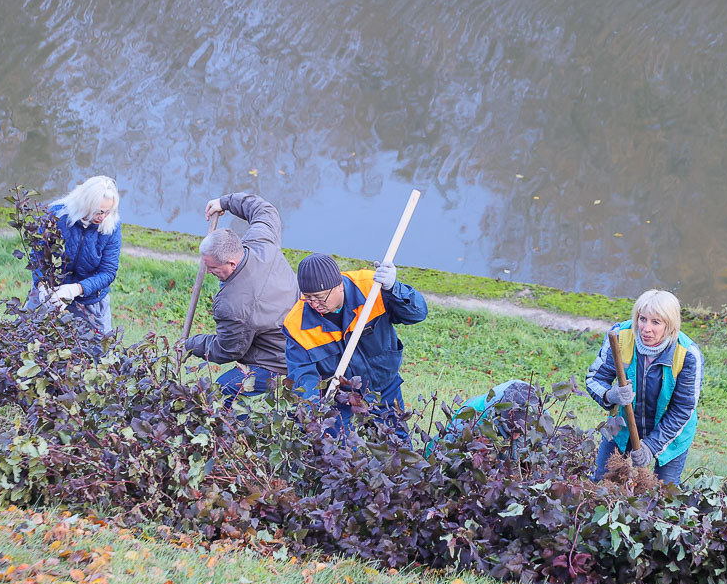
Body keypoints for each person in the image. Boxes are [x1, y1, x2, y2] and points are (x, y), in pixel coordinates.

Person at [283, 252, 427, 427]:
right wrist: (314, 409)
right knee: (336, 451)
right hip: (340, 399)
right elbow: (302, 375)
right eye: (308, 297)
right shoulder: (296, 324)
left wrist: (393, 289)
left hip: (384, 386)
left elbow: (417, 314)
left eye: (320, 297)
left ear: (340, 286)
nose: (314, 304)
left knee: (396, 445)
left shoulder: (371, 289)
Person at [184, 192, 299, 404]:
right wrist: (224, 202)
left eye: (213, 268)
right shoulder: (260, 242)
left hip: (278, 361)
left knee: (221, 392)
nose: (207, 271)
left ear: (231, 264)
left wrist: (191, 344)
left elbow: (227, 350)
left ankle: (231, 433)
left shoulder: (234, 305)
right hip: (297, 335)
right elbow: (264, 210)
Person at [586, 290, 704, 483]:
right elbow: (594, 379)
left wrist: (651, 446)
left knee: (663, 496)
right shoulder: (620, 336)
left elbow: (683, 409)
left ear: (670, 325)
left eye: (656, 322)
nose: (645, 328)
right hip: (622, 428)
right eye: (642, 319)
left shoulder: (687, 354)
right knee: (602, 483)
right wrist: (611, 395)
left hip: (670, 436)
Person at [27, 175, 122, 333]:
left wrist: (75, 290)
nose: (103, 217)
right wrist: (42, 286)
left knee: (100, 351)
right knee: (27, 335)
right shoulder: (58, 214)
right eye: (99, 212)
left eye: (108, 211)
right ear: (86, 204)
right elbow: (38, 254)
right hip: (52, 294)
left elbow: (108, 272)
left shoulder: (111, 226)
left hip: (90, 300)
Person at [431, 379, 548, 457]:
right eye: (512, 430)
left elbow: (546, 440)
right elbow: (444, 454)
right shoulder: (469, 422)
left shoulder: (532, 404)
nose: (516, 436)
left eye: (520, 432)